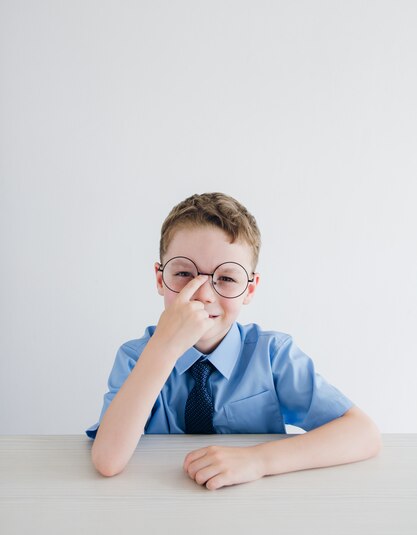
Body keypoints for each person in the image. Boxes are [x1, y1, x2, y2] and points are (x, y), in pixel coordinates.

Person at [86, 192, 381, 489]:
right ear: (160, 279)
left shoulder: (273, 355)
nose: (203, 294)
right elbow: (108, 461)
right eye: (184, 273)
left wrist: (258, 460)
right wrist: (164, 348)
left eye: (226, 278)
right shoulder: (136, 357)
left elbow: (363, 433)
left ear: (250, 289)